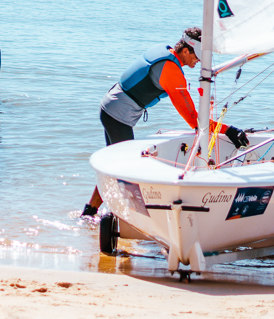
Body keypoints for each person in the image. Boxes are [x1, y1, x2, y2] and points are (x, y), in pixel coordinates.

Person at [82, 27, 249, 216]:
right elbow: (194, 121)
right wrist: (227, 130)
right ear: (185, 50)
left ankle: (90, 212)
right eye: (197, 56)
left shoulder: (165, 51)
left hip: (110, 107)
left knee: (114, 167)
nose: (199, 61)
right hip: (117, 116)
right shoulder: (171, 72)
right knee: (126, 171)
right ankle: (128, 218)